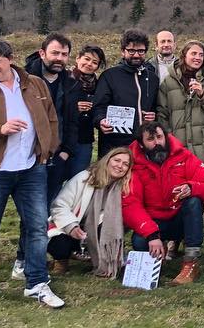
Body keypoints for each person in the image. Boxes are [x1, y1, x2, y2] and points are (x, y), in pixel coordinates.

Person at [0, 38, 64, 308]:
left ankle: (37, 283)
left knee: (38, 227)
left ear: (10, 59)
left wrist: (48, 149)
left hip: (31, 169)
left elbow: (51, 118)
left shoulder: (34, 83)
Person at [121, 122, 204, 285]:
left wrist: (191, 187)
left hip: (181, 218)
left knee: (194, 201)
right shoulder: (133, 165)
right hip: (154, 222)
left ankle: (191, 261)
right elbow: (131, 204)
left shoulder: (184, 155)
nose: (157, 142)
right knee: (139, 242)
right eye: (150, 139)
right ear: (141, 144)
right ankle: (157, 256)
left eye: (159, 137)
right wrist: (151, 234)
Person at [46, 147, 133, 278]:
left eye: (125, 164)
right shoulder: (84, 178)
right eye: (117, 160)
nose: (120, 166)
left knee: (108, 226)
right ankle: (61, 260)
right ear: (107, 160)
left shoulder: (126, 187)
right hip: (73, 227)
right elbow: (59, 205)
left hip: (96, 229)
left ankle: (101, 259)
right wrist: (71, 226)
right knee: (60, 245)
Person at [23, 33, 81, 203]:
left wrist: (66, 151)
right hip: (30, 155)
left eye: (64, 55)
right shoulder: (24, 80)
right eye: (55, 53)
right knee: (30, 208)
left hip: (57, 155)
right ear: (42, 53)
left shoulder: (71, 83)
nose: (59, 59)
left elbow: (72, 120)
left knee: (49, 203)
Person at [156, 40, 204, 168]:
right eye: (193, 53)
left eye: (201, 55)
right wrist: (169, 139)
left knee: (202, 187)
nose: (198, 58)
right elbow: (162, 115)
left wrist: (203, 95)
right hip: (178, 147)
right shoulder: (168, 83)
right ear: (184, 55)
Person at [93, 29, 160, 157]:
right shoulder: (109, 76)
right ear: (123, 51)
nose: (136, 55)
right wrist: (100, 120)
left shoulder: (152, 79)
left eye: (141, 51)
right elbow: (98, 107)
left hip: (144, 144)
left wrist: (153, 116)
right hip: (114, 145)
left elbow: (156, 107)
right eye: (131, 51)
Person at [65, 45, 106, 181]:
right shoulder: (65, 79)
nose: (89, 64)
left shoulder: (99, 85)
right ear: (77, 58)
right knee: (55, 181)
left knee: (78, 181)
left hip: (85, 140)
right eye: (86, 59)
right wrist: (73, 107)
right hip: (63, 138)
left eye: (94, 62)